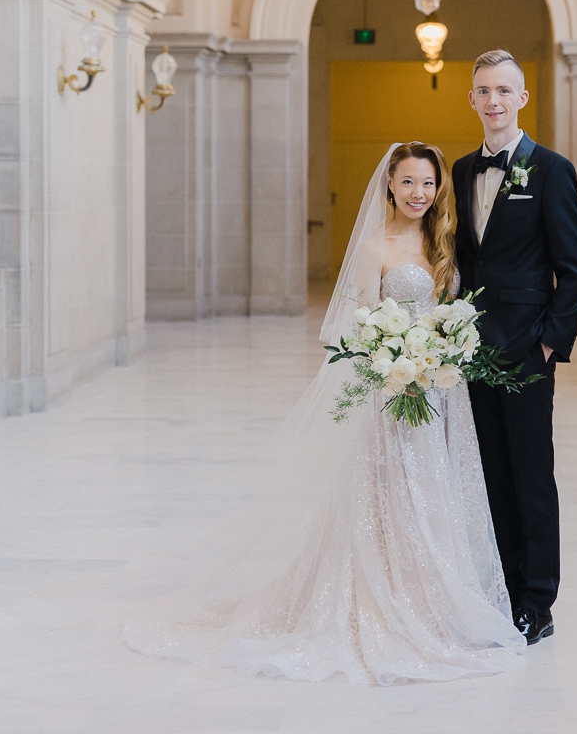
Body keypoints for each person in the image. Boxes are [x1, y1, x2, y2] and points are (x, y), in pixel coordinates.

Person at [125, 142, 525, 684]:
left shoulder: (446, 242)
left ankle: (434, 602)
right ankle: (382, 604)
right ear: (389, 185)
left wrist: (445, 351)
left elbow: (451, 309)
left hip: (441, 392)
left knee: (435, 492)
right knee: (390, 498)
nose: (418, 194)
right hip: (391, 391)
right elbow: (358, 327)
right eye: (407, 182)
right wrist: (397, 359)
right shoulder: (373, 246)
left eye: (428, 184)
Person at [451, 50, 577, 645]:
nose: (494, 101)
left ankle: (538, 600)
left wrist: (549, 345)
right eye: (484, 91)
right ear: (473, 100)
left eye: (505, 90)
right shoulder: (459, 170)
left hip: (526, 351)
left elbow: (575, 269)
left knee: (532, 475)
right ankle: (500, 587)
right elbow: (463, 257)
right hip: (470, 351)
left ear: (522, 99)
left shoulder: (552, 170)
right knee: (488, 476)